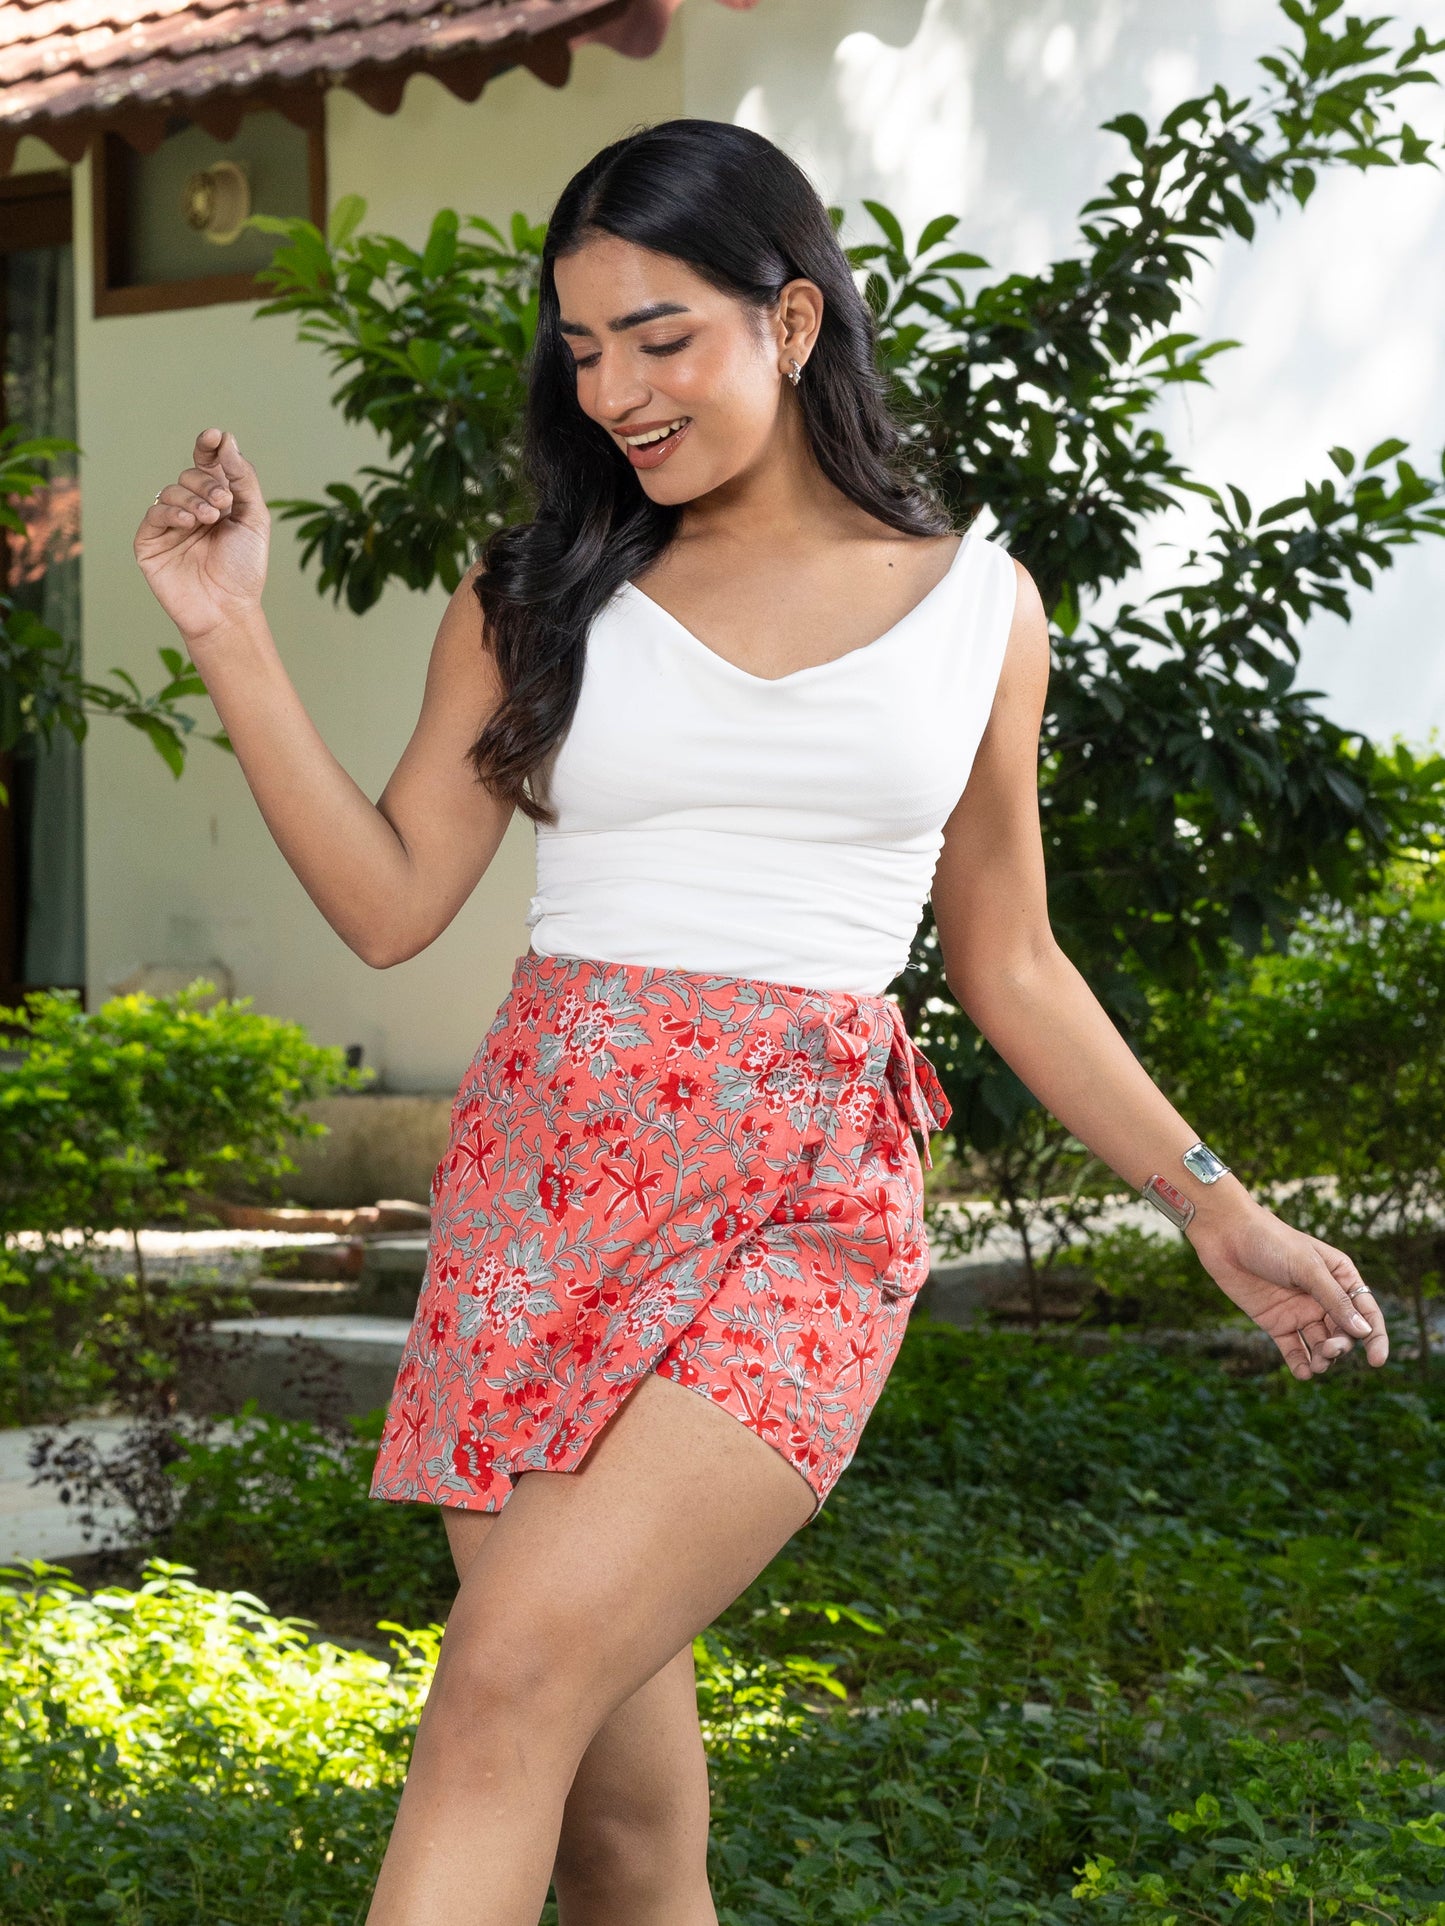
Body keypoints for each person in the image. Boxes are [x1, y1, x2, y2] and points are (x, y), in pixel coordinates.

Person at [134, 116, 1388, 1926]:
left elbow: (1009, 958)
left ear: (790, 321)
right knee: (624, 1837)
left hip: (803, 1194)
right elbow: (395, 898)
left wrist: (1214, 1198)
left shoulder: (976, 610)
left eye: (662, 338)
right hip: (542, 1188)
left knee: (496, 1688)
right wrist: (230, 632)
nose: (618, 391)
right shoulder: (538, 595)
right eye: (582, 352)